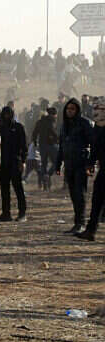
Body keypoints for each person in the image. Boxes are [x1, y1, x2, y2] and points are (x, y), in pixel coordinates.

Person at [55, 97, 93, 234]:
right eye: (68, 109)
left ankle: (81, 223)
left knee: (79, 194)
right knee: (72, 194)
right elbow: (61, 146)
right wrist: (58, 164)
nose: (69, 111)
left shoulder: (85, 123)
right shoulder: (64, 125)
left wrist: (90, 163)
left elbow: (93, 143)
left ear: (77, 110)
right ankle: (77, 223)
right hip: (69, 164)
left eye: (72, 109)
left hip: (81, 164)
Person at [77, 98, 105, 241]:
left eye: (99, 109)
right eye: (95, 109)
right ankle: (91, 230)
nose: (96, 112)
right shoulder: (97, 128)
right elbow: (95, 147)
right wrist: (90, 163)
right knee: (97, 197)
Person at [0, 106, 28, 221]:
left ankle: (22, 213)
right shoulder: (0, 128)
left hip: (15, 162)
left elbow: (24, 145)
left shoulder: (18, 127)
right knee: (4, 189)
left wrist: (23, 161)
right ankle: (6, 213)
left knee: (18, 188)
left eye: (8, 114)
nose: (7, 116)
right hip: (2, 163)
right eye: (5, 114)